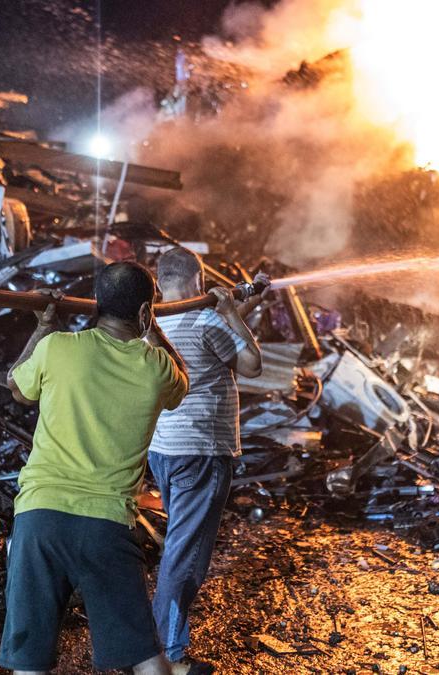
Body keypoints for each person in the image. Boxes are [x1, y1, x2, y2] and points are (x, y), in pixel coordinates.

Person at [0, 262, 189, 675]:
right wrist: (151, 325)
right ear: (143, 313)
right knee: (146, 661)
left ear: (97, 305)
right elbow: (183, 378)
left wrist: (43, 327)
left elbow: (15, 386)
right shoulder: (156, 369)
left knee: (29, 664)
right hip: (105, 526)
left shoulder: (57, 348)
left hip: (39, 519)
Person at [148, 247, 265, 673]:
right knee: (186, 553)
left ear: (160, 282)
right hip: (202, 452)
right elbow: (251, 364)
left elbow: (215, 336)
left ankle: (157, 647)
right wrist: (234, 314)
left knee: (178, 546)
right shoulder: (208, 320)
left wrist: (241, 308)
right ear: (199, 280)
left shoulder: (155, 321)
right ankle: (167, 654)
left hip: (165, 450)